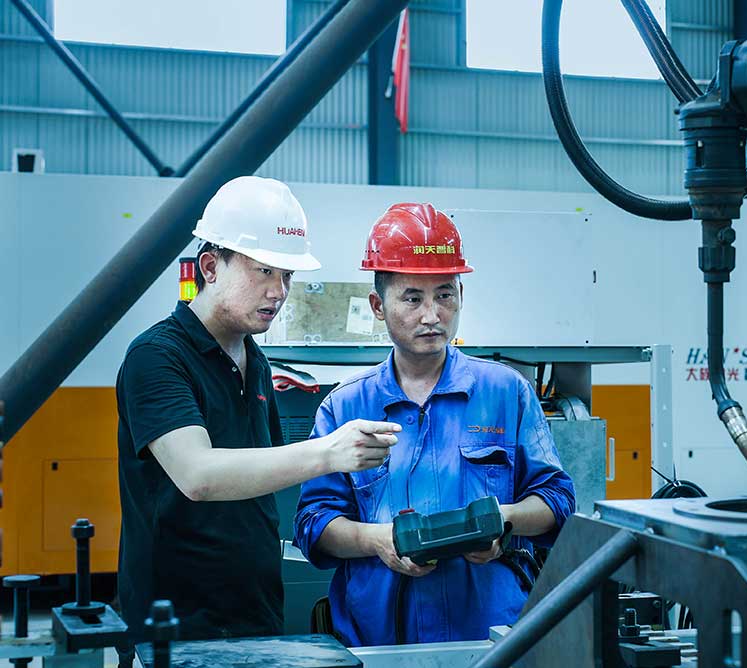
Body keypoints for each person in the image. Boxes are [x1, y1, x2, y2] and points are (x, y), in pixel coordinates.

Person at [116, 176, 401, 643]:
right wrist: (329, 453)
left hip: (255, 614)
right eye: (263, 271)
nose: (278, 291)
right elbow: (198, 475)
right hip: (174, 628)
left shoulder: (256, 361)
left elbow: (263, 480)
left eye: (286, 276)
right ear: (211, 267)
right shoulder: (157, 357)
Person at [294, 203, 576, 646]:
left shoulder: (506, 392)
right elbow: (314, 523)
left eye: (445, 295)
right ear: (377, 306)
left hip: (493, 641)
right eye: (412, 298)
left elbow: (557, 501)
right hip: (379, 644)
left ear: (461, 295)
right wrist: (377, 540)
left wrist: (504, 522)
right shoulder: (345, 407)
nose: (432, 315)